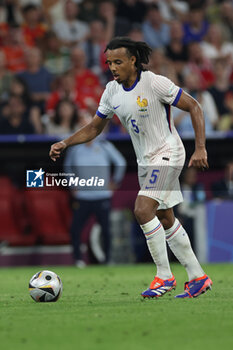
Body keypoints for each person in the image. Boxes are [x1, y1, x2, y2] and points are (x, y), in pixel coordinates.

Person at [49, 37, 212, 299]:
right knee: (166, 218)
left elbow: (194, 106)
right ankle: (198, 276)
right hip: (146, 161)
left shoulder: (155, 83)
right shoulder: (111, 91)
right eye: (109, 62)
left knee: (142, 208)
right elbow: (94, 127)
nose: (112, 67)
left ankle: (164, 276)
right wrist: (65, 142)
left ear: (133, 61)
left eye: (118, 62)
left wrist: (201, 147)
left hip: (168, 153)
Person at [64, 114, 126, 266]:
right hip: (83, 196)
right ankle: (78, 260)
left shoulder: (104, 145)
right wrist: (72, 185)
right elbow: (67, 168)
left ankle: (108, 259)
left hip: (102, 196)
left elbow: (120, 163)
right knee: (75, 229)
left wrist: (115, 181)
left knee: (105, 230)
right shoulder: (75, 148)